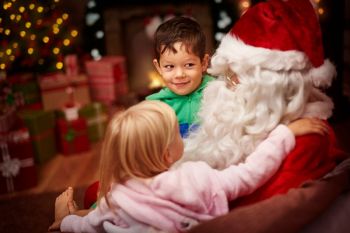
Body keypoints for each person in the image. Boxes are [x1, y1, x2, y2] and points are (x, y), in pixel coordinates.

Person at [48, 100, 328, 233]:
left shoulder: (115, 197)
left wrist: (65, 222)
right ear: (169, 154)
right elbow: (250, 174)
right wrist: (286, 133)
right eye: (177, 135)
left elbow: (87, 227)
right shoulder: (197, 178)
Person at [177, 0, 349, 207]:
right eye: (226, 75)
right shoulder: (254, 121)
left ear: (272, 88)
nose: (225, 86)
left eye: (235, 77)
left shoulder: (306, 139)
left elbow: (252, 210)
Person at [146, 16, 214, 138]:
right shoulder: (156, 107)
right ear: (158, 67)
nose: (179, 75)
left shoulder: (218, 93)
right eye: (169, 66)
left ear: (204, 63)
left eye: (189, 65)